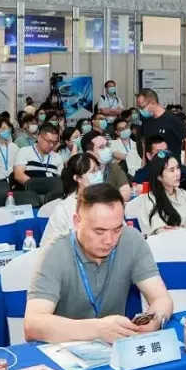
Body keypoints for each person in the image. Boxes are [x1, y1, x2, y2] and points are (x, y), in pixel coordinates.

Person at [24, 183, 173, 343]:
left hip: (115, 347)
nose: (109, 240)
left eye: (116, 230)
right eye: (99, 231)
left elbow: (162, 299)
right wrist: (99, 329)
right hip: (65, 347)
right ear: (77, 222)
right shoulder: (54, 253)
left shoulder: (131, 240)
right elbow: (32, 325)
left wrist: (156, 320)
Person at [40, 153, 102, 247]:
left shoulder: (109, 201)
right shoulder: (64, 209)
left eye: (98, 169)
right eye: (93, 171)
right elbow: (47, 246)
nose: (99, 174)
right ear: (77, 178)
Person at [139, 155, 186, 237]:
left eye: (178, 168)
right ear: (159, 177)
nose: (177, 173)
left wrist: (184, 228)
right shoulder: (151, 200)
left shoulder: (184, 194)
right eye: (172, 170)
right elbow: (161, 231)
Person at [136, 88, 186, 170]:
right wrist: (143, 163)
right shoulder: (145, 119)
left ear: (153, 103)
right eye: (139, 107)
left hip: (170, 167)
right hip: (151, 168)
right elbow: (145, 141)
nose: (141, 110)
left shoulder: (172, 119)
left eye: (142, 107)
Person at [81, 131, 130, 201]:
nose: (107, 149)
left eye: (107, 145)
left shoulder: (114, 168)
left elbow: (126, 193)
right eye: (101, 147)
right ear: (90, 153)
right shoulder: (83, 173)